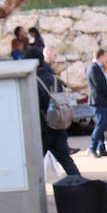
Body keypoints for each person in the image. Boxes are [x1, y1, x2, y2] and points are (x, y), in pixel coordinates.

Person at [31, 45, 79, 178]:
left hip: (43, 129)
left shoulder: (32, 82)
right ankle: (82, 189)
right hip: (59, 125)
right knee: (66, 160)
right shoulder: (55, 79)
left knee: (33, 164)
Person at [86, 47, 107, 158]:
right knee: (101, 125)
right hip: (97, 101)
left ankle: (101, 148)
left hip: (100, 100)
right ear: (101, 56)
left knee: (101, 124)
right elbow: (100, 86)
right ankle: (92, 147)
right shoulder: (94, 68)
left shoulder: (96, 68)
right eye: (106, 56)